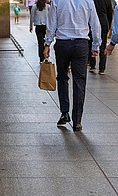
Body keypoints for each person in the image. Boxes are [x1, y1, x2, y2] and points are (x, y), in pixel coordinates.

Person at [43, 0, 101, 131]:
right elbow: (95, 24)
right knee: (79, 82)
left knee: (62, 78)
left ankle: (64, 113)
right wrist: (95, 44)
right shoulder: (88, 1)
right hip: (81, 44)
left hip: (63, 44)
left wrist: (47, 44)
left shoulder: (57, 1)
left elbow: (52, 23)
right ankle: (77, 121)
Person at [88, 0, 113, 75]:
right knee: (103, 45)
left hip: (93, 23)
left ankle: (92, 64)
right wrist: (108, 24)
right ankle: (102, 68)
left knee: (92, 43)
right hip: (103, 23)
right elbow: (110, 13)